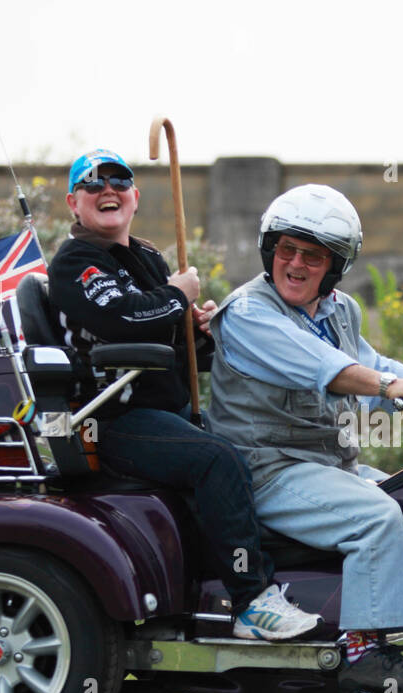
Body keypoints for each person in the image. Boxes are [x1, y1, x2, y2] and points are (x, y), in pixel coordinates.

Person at [48, 148, 319, 641]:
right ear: (73, 202)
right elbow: (122, 317)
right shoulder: (76, 262)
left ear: (135, 196)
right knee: (219, 461)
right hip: (111, 419)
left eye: (119, 181)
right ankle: (250, 603)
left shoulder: (147, 256)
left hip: (163, 410)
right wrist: (176, 297)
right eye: (92, 184)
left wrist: (193, 328)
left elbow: (168, 340)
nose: (107, 190)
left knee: (256, 446)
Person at [208, 184, 403, 693]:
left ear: (335, 267)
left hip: (329, 467)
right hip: (268, 470)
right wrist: (390, 386)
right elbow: (329, 369)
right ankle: (364, 656)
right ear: (270, 253)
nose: (295, 264)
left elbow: (373, 366)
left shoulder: (340, 311)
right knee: (375, 516)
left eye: (312, 256)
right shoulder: (249, 313)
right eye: (286, 251)